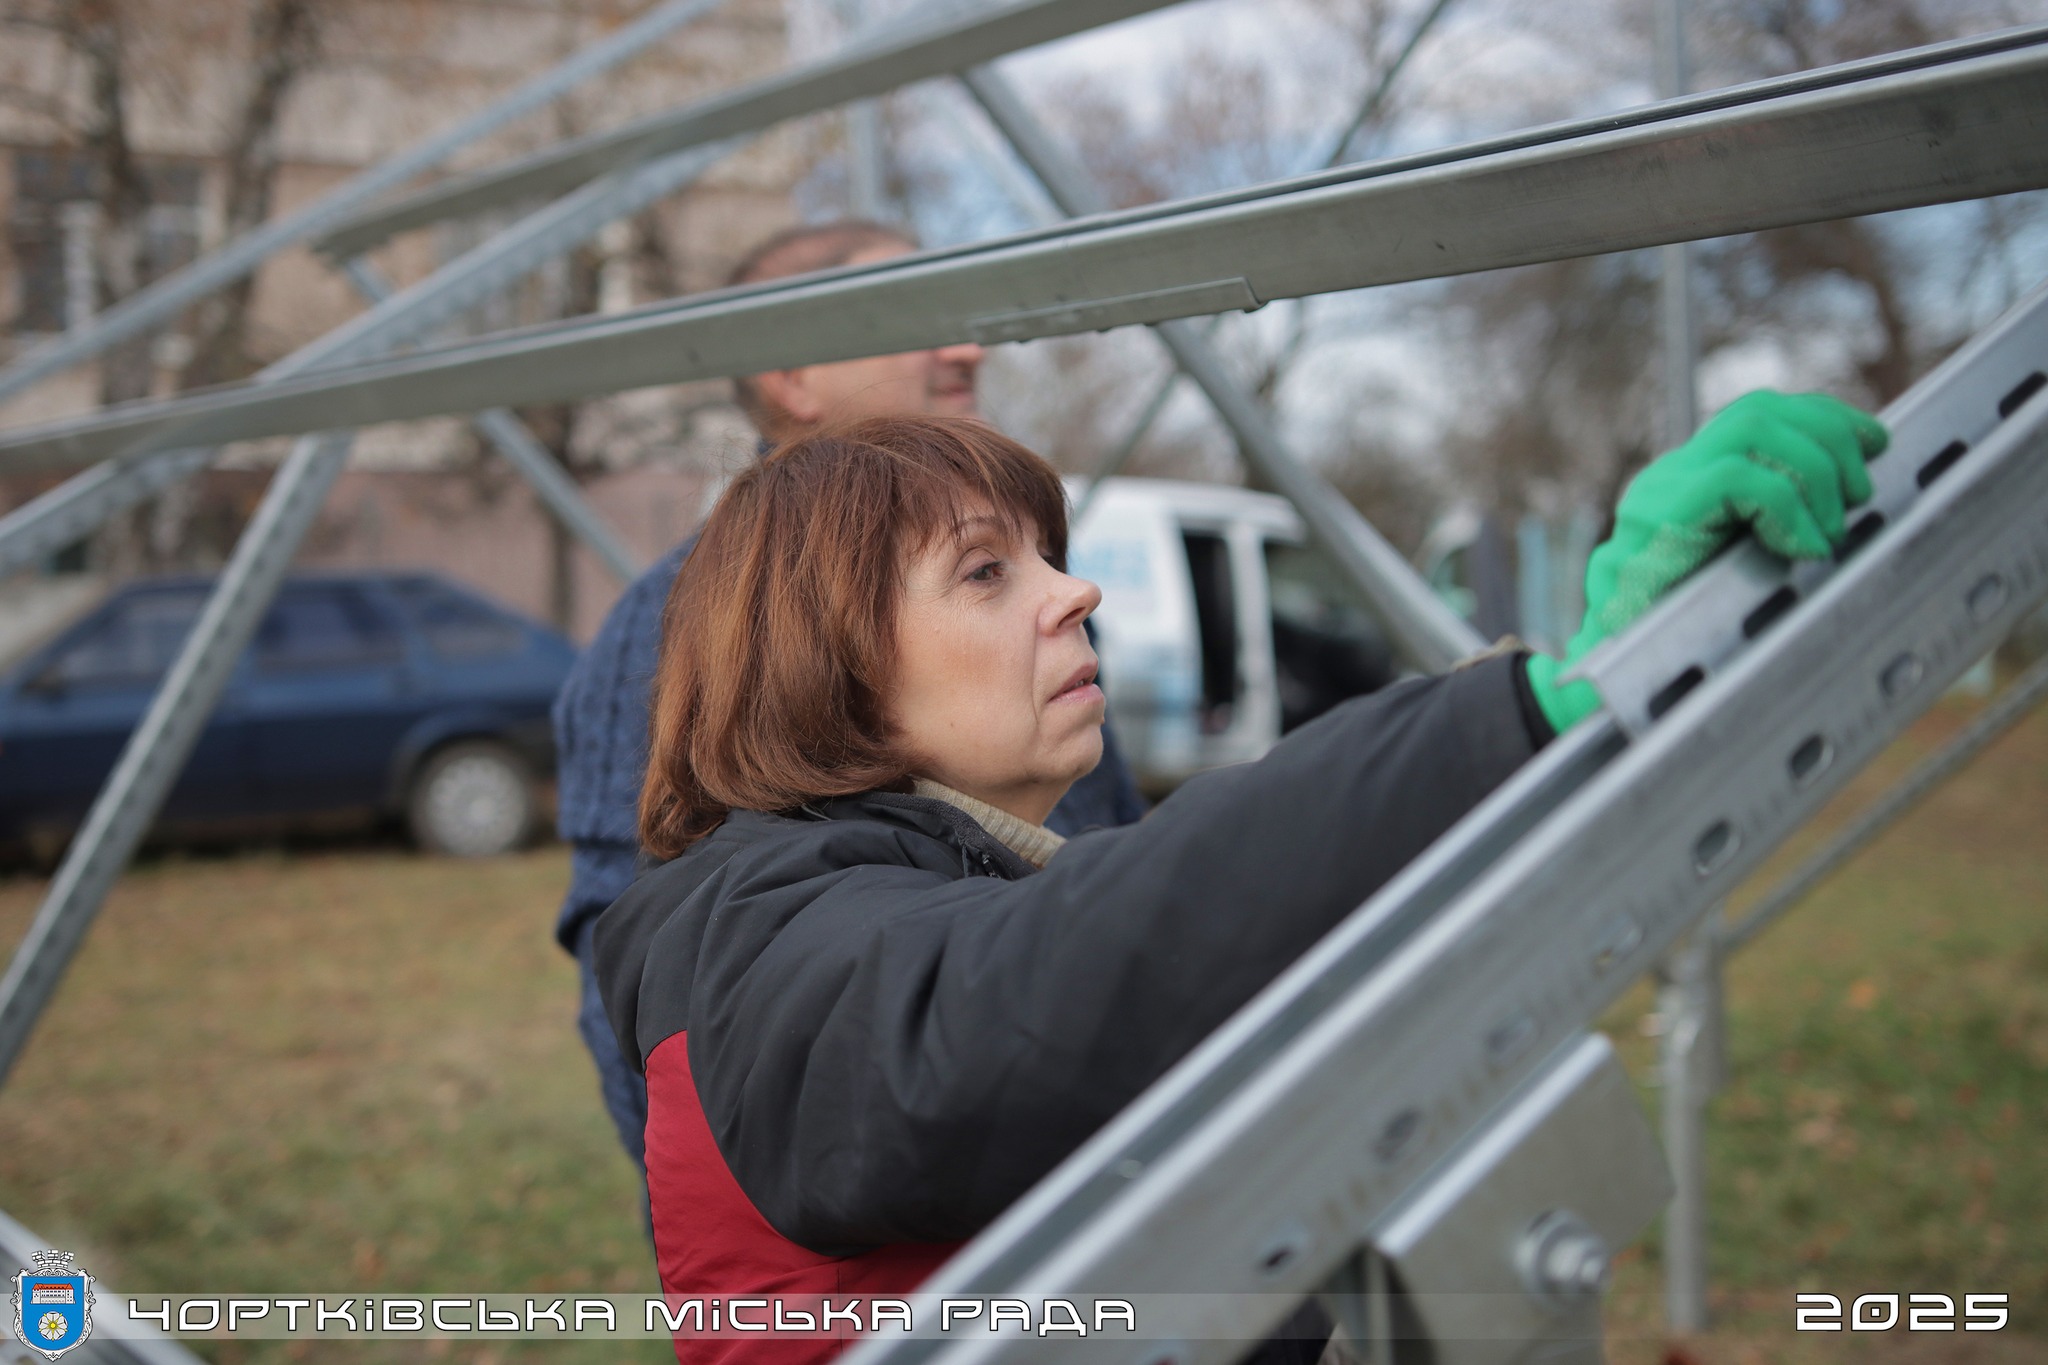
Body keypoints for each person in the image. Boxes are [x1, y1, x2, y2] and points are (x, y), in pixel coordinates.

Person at [594, 394, 1886, 1363]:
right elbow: (1042, 985)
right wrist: (1529, 719)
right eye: (989, 572)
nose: (1074, 593)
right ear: (829, 661)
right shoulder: (759, 944)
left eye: (1051, 556)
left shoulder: (897, 897)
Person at [551, 221, 1146, 1176]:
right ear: (794, 374)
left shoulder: (1033, 610)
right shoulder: (668, 631)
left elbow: (1112, 845)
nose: (967, 350)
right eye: (916, 315)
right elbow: (660, 1028)